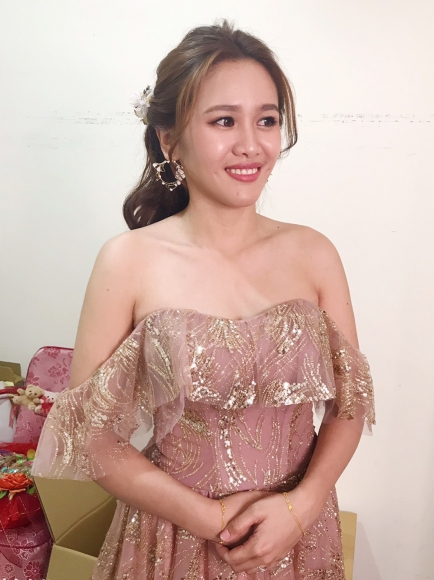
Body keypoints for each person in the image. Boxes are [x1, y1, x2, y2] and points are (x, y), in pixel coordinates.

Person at [32, 20, 375, 579]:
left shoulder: (315, 254)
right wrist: (212, 519)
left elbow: (350, 405)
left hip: (298, 537)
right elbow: (92, 438)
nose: (251, 144)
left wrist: (303, 505)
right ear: (169, 139)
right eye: (223, 120)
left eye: (267, 120)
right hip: (171, 538)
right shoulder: (128, 261)